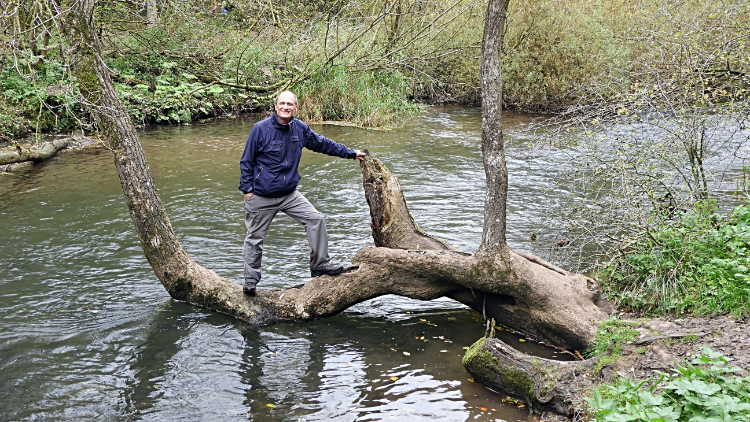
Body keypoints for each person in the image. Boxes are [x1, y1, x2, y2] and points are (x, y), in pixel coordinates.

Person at [239, 90, 366, 296]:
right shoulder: (260, 129)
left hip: (290, 194)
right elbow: (246, 161)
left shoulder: (300, 130)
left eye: (290, 104)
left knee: (316, 219)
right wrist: (247, 191)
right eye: (282, 103)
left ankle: (320, 265)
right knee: (254, 238)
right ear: (275, 106)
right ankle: (251, 281)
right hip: (262, 195)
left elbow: (323, 144)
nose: (286, 107)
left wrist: (351, 153)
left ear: (296, 107)